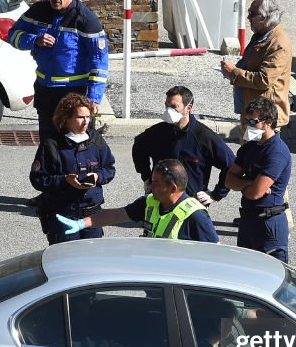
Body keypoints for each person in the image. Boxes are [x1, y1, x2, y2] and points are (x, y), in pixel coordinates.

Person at [8, 0, 109, 140]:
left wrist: (93, 99)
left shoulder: (85, 18)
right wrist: (34, 40)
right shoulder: (38, 10)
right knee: (48, 145)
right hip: (45, 91)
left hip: (74, 93)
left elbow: (99, 62)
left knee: (75, 145)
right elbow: (13, 36)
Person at [58, 159, 219, 242]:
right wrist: (81, 223)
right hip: (156, 282)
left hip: (180, 289)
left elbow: (216, 256)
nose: (150, 186)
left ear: (172, 189)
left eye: (156, 182)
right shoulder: (150, 202)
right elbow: (115, 215)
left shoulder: (195, 216)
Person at [30, 93, 116, 245]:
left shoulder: (95, 139)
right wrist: (65, 180)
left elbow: (109, 168)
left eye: (88, 117)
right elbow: (38, 178)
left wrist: (97, 177)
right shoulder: (52, 144)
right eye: (80, 117)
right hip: (64, 216)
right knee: (65, 263)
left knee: (92, 262)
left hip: (92, 215)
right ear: (66, 118)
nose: (85, 123)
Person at [132, 85, 234, 208]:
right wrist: (147, 177)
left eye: (174, 107)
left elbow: (231, 165)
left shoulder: (204, 137)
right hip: (159, 200)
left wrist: (216, 195)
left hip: (190, 205)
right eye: (167, 106)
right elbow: (138, 148)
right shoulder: (157, 133)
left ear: (188, 108)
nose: (169, 110)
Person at [225, 97, 292, 262]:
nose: (248, 126)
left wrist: (245, 185)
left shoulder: (277, 153)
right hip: (248, 221)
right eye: (246, 121)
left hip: (268, 225)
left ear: (268, 122)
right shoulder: (249, 148)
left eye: (253, 121)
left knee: (271, 280)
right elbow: (228, 180)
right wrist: (248, 183)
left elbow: (255, 193)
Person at [220, 0, 293, 136]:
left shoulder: (279, 44)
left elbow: (264, 80)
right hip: (252, 111)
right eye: (249, 12)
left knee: (260, 154)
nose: (248, 18)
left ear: (266, 17)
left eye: (252, 14)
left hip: (264, 117)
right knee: (247, 155)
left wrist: (234, 72)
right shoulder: (261, 35)